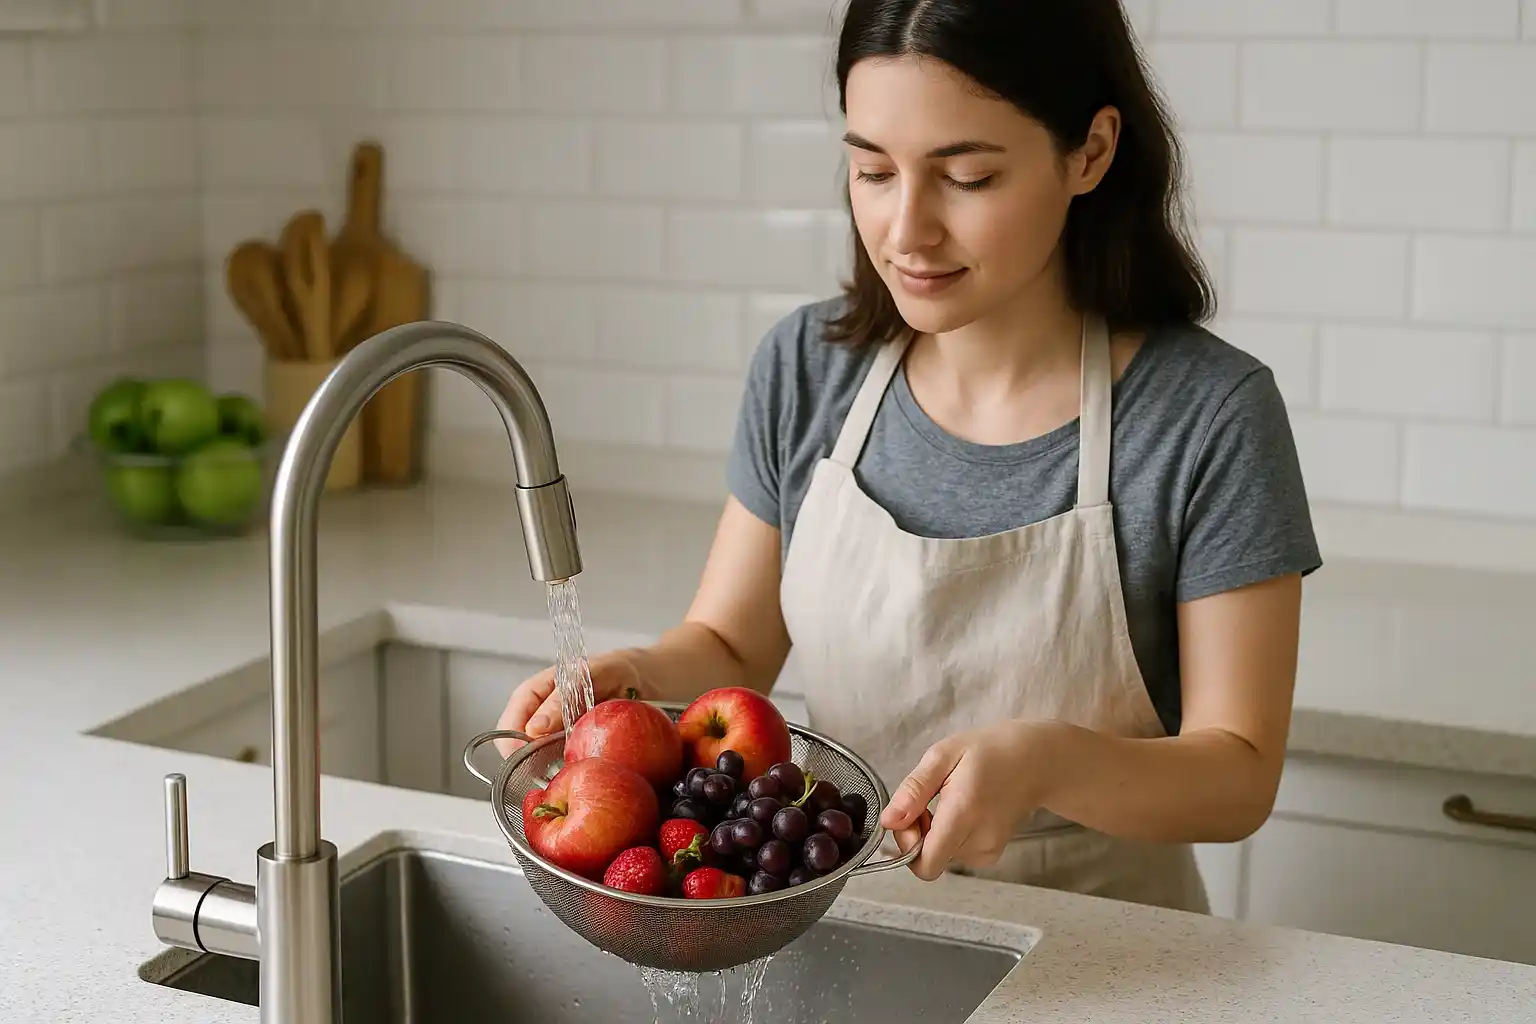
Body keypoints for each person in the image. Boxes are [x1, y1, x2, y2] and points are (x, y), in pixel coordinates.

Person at [497, 0, 1321, 914]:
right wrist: (641, 680)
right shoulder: (807, 369)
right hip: (847, 916)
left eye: (966, 177)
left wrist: (1041, 759)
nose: (906, 230)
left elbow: (1237, 774)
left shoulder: (1206, 414)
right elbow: (733, 644)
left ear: (1089, 151)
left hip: (1116, 945)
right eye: (872, 170)